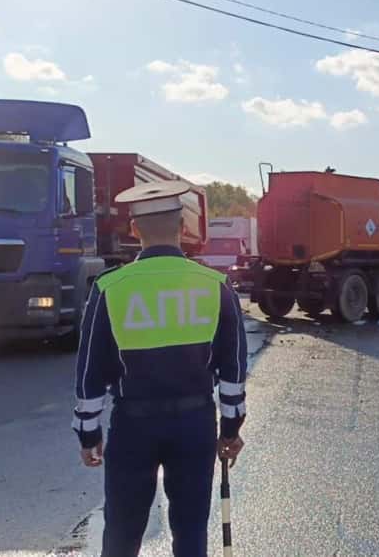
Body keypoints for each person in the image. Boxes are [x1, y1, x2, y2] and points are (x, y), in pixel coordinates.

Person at [71, 180, 248, 557]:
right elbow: (232, 370)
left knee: (121, 533)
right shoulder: (215, 286)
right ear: (183, 226)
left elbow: (90, 371)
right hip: (195, 427)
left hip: (132, 427)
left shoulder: (109, 288)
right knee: (190, 532)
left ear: (134, 230)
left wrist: (89, 434)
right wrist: (231, 429)